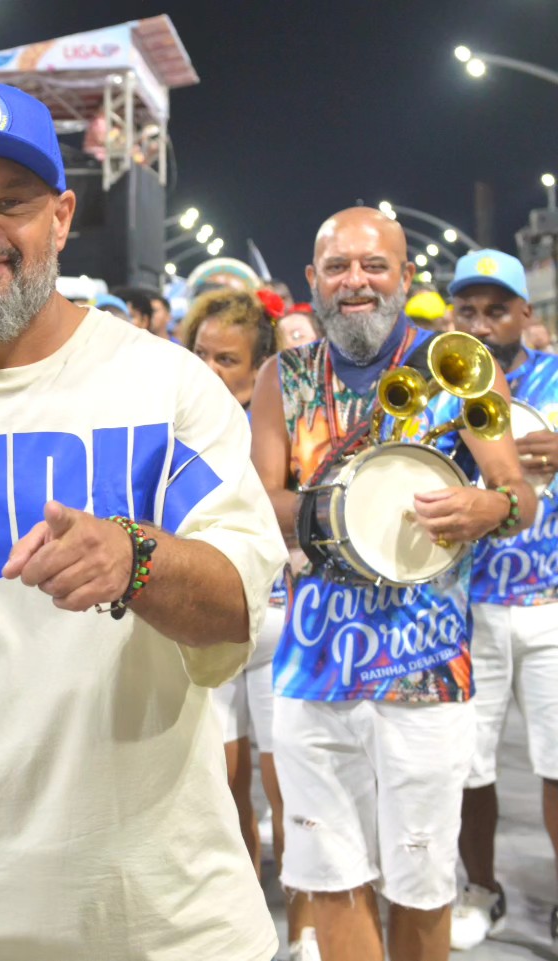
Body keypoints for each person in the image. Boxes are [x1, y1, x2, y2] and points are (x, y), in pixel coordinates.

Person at [0, 78, 285, 961]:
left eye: (8, 202)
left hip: (173, 921)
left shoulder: (166, 385)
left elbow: (241, 612)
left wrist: (137, 559)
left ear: (60, 216)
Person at [250, 208, 536, 961]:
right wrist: (336, 511)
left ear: (406, 280)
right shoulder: (283, 379)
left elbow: (518, 494)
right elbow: (253, 503)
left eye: (375, 266)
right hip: (314, 672)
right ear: (312, 280)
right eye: (337, 266)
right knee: (331, 877)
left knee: (421, 878)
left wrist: (487, 505)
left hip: (425, 671)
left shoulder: (459, 361)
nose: (356, 281)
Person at [181, 287, 318, 957]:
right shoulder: (166, 420)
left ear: (259, 364)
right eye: (200, 353)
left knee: (288, 788)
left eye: (226, 359)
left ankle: (307, 928)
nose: (209, 369)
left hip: (279, 626)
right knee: (222, 788)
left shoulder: (279, 421)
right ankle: (244, 927)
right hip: (206, 631)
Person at [432, 251, 558, 950]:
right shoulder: (440, 385)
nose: (481, 323)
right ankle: (480, 884)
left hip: (549, 600)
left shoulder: (557, 377)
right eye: (468, 310)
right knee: (470, 764)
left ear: (525, 313)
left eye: (496, 309)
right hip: (470, 604)